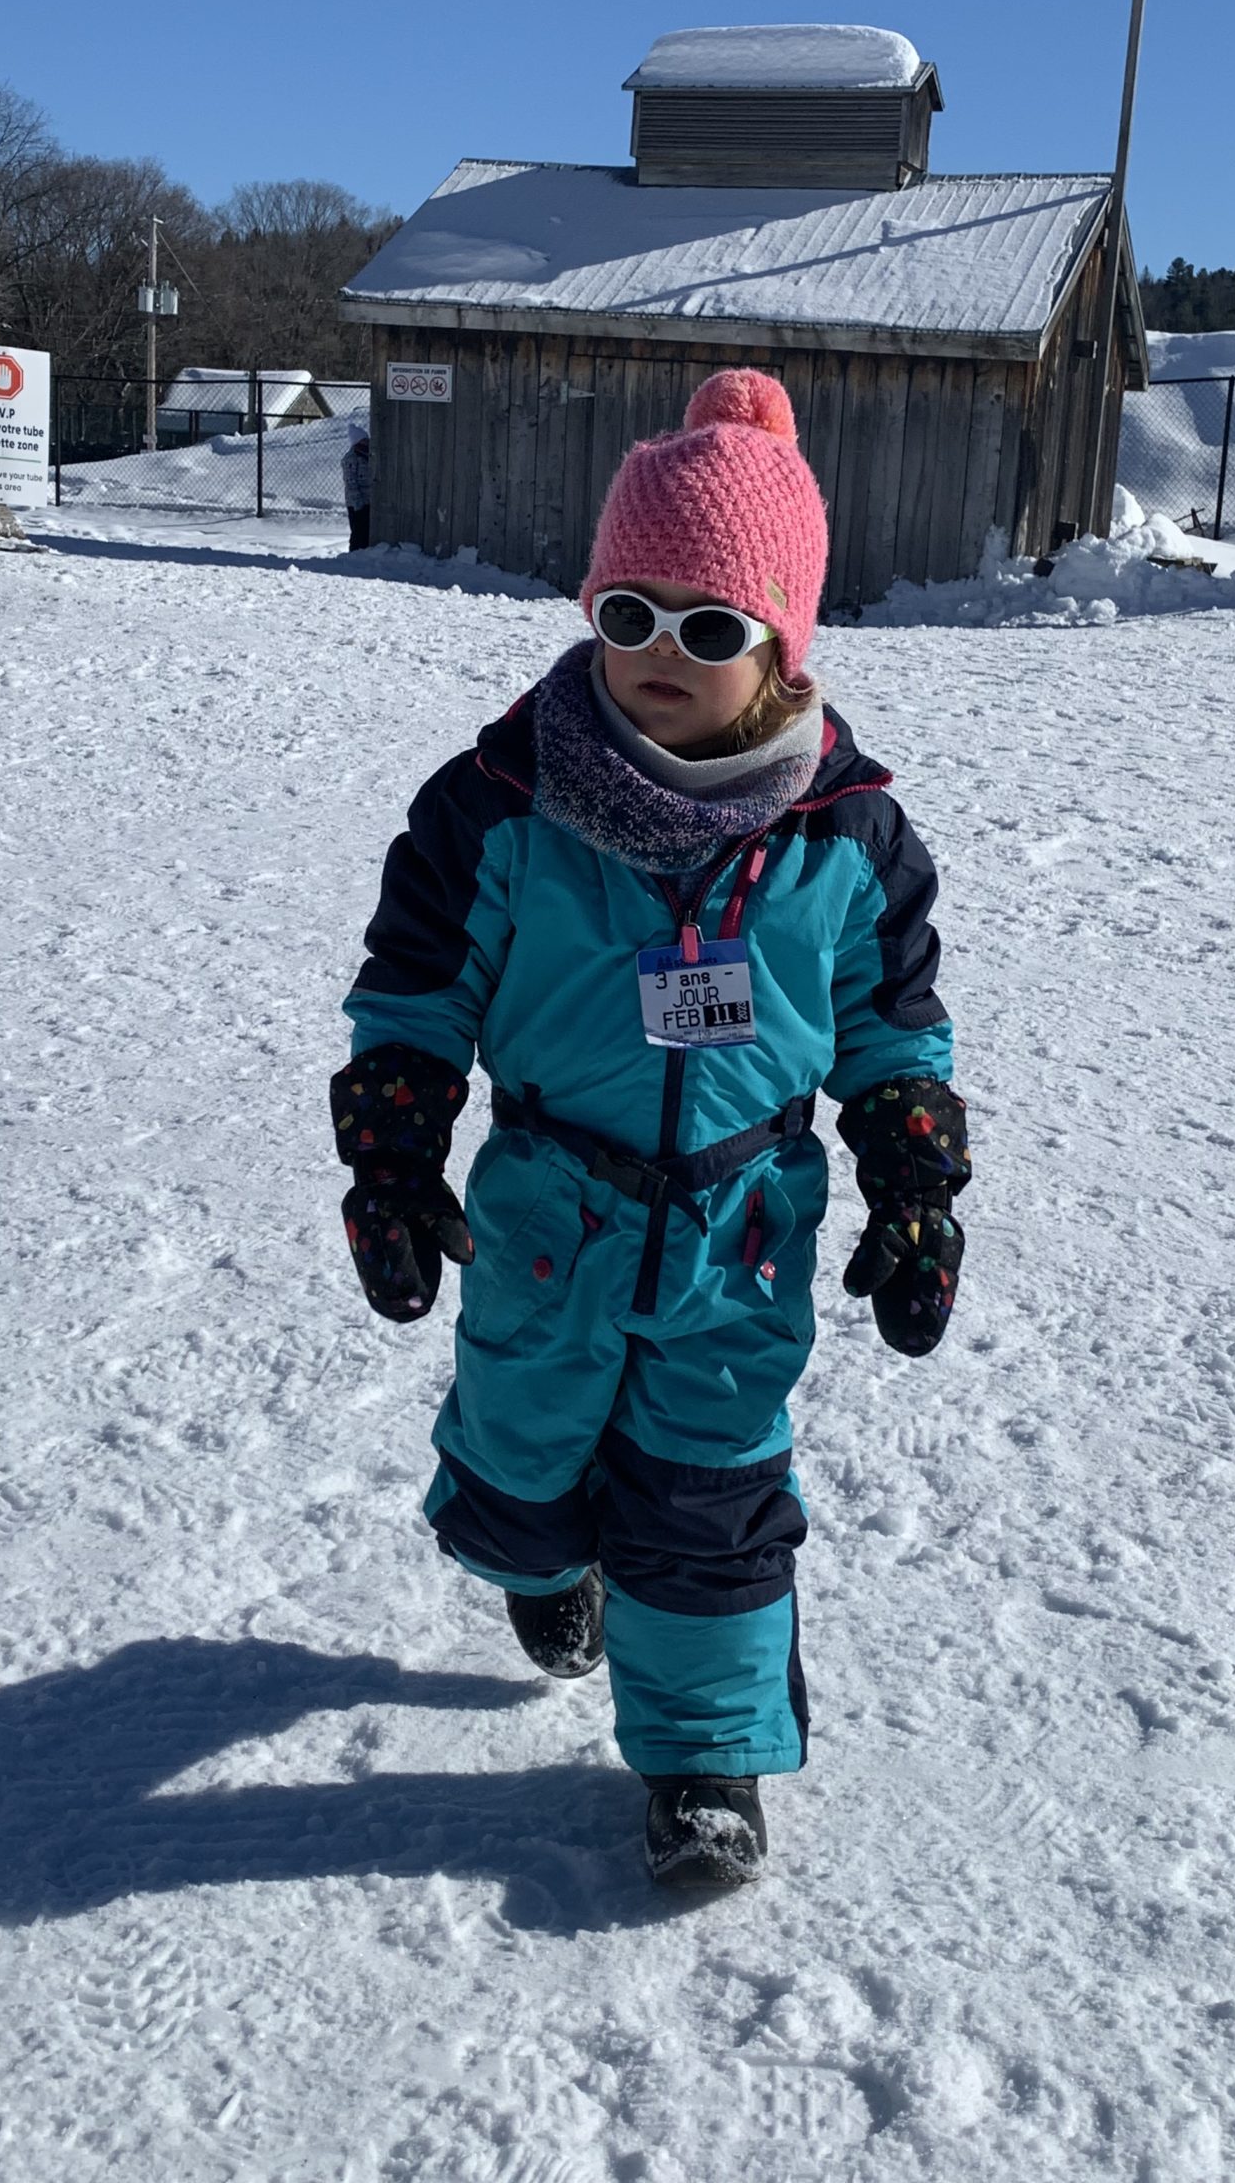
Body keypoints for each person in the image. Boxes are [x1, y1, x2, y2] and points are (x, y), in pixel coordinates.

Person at [332, 370, 968, 1889]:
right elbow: (415, 993)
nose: (660, 652)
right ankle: (546, 1560)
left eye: (709, 626)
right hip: (549, 1214)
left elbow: (895, 1027)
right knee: (524, 1458)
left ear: (783, 648)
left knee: (709, 1493)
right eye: (630, 613)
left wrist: (914, 1177)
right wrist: (395, 1157)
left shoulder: (844, 836)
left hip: (740, 1236)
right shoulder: (498, 807)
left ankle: (702, 1758)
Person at [341, 433, 372, 550]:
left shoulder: (368, 456)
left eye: (367, 440)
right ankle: (355, 552)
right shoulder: (351, 458)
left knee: (367, 530)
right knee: (358, 529)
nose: (366, 442)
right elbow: (350, 482)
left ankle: (365, 550)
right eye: (363, 440)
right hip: (356, 503)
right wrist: (357, 502)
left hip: (368, 500)